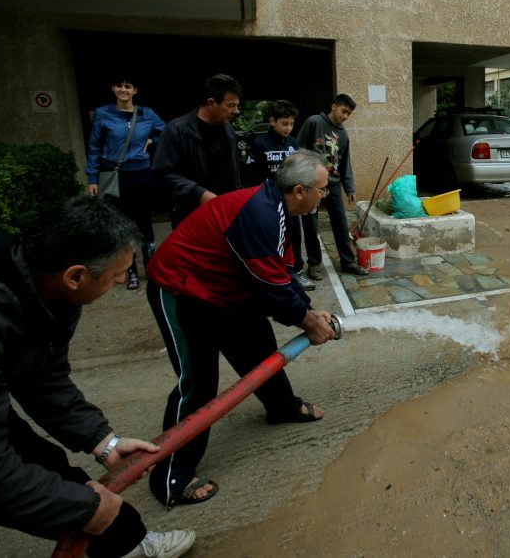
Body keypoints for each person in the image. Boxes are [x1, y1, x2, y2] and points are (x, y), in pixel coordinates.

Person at [0, 196, 195, 558]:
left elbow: (42, 375)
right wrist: (81, 508)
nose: (119, 282)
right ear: (76, 276)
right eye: (117, 275)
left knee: (50, 470)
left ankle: (128, 544)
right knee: (23, 486)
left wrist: (103, 441)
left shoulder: (42, 280)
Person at [145, 150, 338, 508]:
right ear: (299, 190)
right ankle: (171, 475)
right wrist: (308, 322)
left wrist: (310, 311)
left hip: (229, 290)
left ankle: (280, 407)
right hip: (183, 290)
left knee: (259, 348)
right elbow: (273, 292)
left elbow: (283, 276)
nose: (324, 196)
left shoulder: (283, 211)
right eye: (322, 190)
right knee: (198, 383)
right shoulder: (261, 214)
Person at [85, 75, 166, 291]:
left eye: (128, 86)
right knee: (122, 223)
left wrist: (153, 140)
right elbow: (94, 147)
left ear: (135, 91)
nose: (123, 89)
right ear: (113, 88)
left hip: (141, 173)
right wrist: (92, 177)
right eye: (119, 85)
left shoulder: (146, 113)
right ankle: (130, 271)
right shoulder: (103, 114)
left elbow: (166, 131)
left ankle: (151, 267)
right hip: (115, 174)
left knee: (144, 221)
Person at [153, 73, 242, 228]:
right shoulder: (177, 131)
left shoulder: (229, 131)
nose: (236, 111)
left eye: (237, 105)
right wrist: (199, 194)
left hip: (226, 214)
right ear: (211, 103)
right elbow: (162, 173)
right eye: (231, 105)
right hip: (191, 217)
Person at [296, 93, 370, 278]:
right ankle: (314, 264)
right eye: (344, 111)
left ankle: (348, 261)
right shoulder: (314, 122)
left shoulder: (343, 134)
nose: (345, 117)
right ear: (334, 106)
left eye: (349, 114)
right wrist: (300, 180)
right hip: (311, 184)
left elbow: (345, 163)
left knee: (340, 223)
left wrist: (350, 188)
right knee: (311, 225)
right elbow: (299, 150)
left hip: (333, 184)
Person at [248, 100, 314, 291]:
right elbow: (253, 176)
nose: (288, 128)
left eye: (291, 124)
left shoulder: (293, 144)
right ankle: (273, 276)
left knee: (293, 238)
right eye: (284, 123)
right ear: (272, 121)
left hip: (291, 204)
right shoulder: (259, 144)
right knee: (272, 239)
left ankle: (297, 273)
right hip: (268, 203)